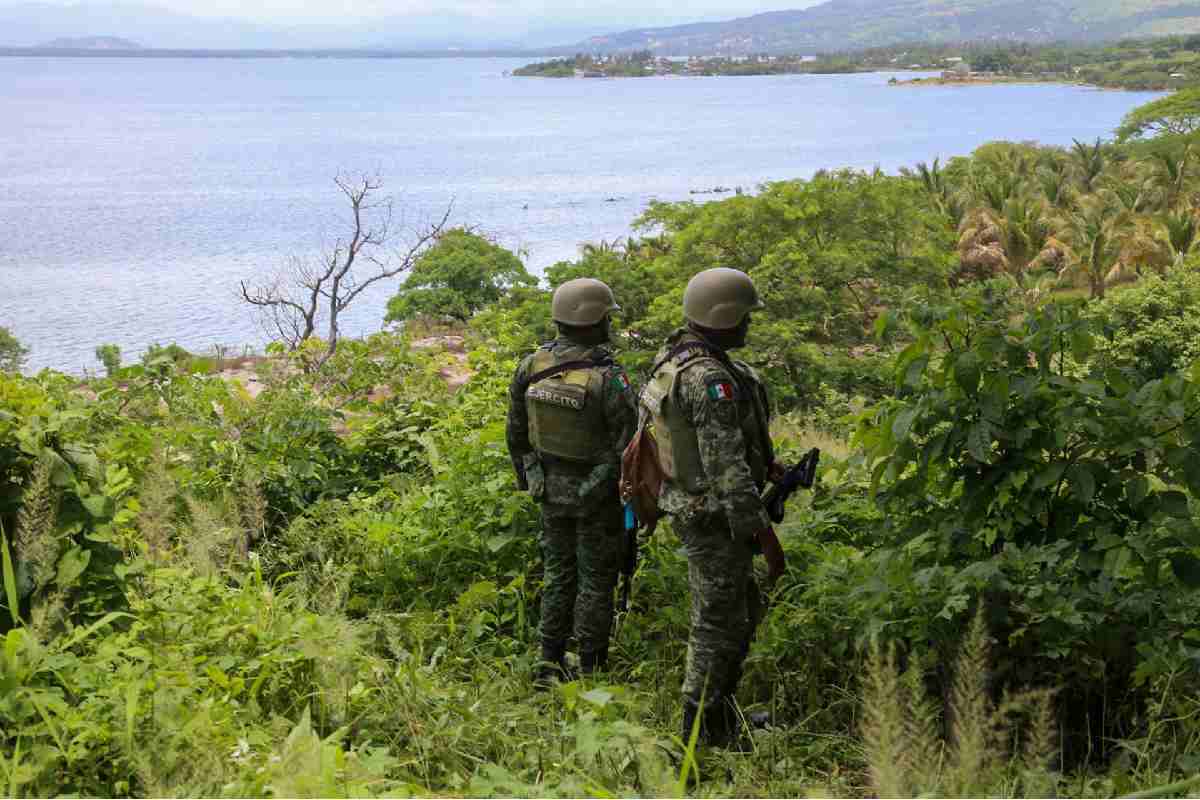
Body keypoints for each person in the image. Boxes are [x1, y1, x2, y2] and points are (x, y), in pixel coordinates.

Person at [640, 267, 785, 747]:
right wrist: (764, 534)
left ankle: (721, 718)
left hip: (697, 506)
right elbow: (726, 469)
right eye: (744, 317)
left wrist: (771, 466)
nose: (748, 326)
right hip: (713, 517)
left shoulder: (677, 356)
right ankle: (698, 736)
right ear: (724, 316)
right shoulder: (709, 378)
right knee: (716, 623)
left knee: (738, 612)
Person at [506, 277, 638, 684]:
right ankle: (591, 666)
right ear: (594, 321)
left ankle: (549, 660)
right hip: (597, 498)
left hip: (549, 491)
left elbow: (516, 434)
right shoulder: (609, 378)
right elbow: (628, 446)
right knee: (597, 580)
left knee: (558, 572)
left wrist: (532, 480)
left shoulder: (531, 365)